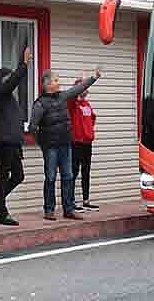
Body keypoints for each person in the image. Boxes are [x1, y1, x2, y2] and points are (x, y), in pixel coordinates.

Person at [29, 68, 101, 220]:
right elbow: (33, 127)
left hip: (65, 144)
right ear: (47, 84)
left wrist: (93, 78)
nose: (58, 82)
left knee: (68, 176)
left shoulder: (62, 96)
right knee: (50, 177)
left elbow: (78, 88)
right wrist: (43, 143)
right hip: (50, 147)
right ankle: (49, 210)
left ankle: (68, 209)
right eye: (55, 80)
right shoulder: (40, 104)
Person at [0, 46, 33, 226]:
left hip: (12, 142)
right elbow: (12, 82)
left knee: (18, 175)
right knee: (2, 176)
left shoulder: (7, 97)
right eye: (9, 79)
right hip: (3, 143)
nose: (12, 83)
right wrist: (23, 65)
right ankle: (2, 211)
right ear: (3, 80)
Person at [68, 78, 99, 212]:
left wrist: (88, 133)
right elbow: (72, 96)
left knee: (86, 172)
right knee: (73, 172)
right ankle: (71, 201)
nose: (86, 90)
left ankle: (86, 200)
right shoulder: (72, 104)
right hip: (76, 142)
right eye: (83, 87)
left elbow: (92, 119)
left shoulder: (87, 104)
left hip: (87, 142)